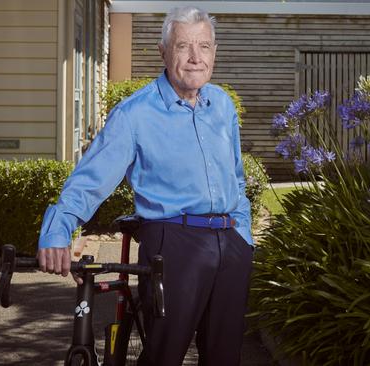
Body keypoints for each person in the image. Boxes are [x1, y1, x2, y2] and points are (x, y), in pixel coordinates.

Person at [37, 6, 254, 365]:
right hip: (173, 244)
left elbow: (236, 178)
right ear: (163, 51)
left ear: (215, 52)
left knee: (225, 357)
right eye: (184, 45)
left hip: (230, 245)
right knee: (163, 357)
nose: (196, 57)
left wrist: (243, 237)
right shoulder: (135, 114)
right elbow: (91, 180)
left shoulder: (223, 107)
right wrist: (57, 231)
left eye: (205, 46)